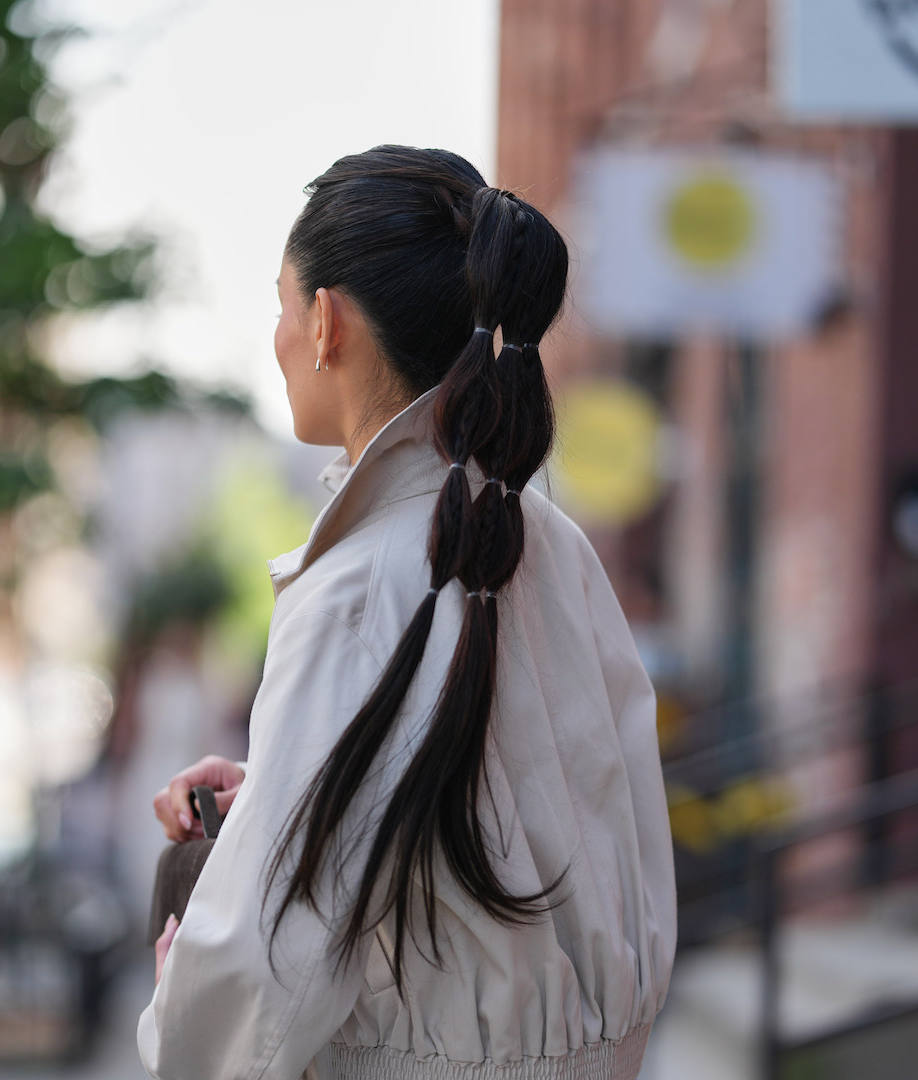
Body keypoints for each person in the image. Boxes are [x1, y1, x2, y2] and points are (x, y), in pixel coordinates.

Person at [139, 145, 675, 1080]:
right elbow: (562, 808)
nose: (276, 337)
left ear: (325, 323)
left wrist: (175, 1024)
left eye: (280, 306)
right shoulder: (551, 543)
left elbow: (264, 964)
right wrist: (278, 791)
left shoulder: (354, 586)